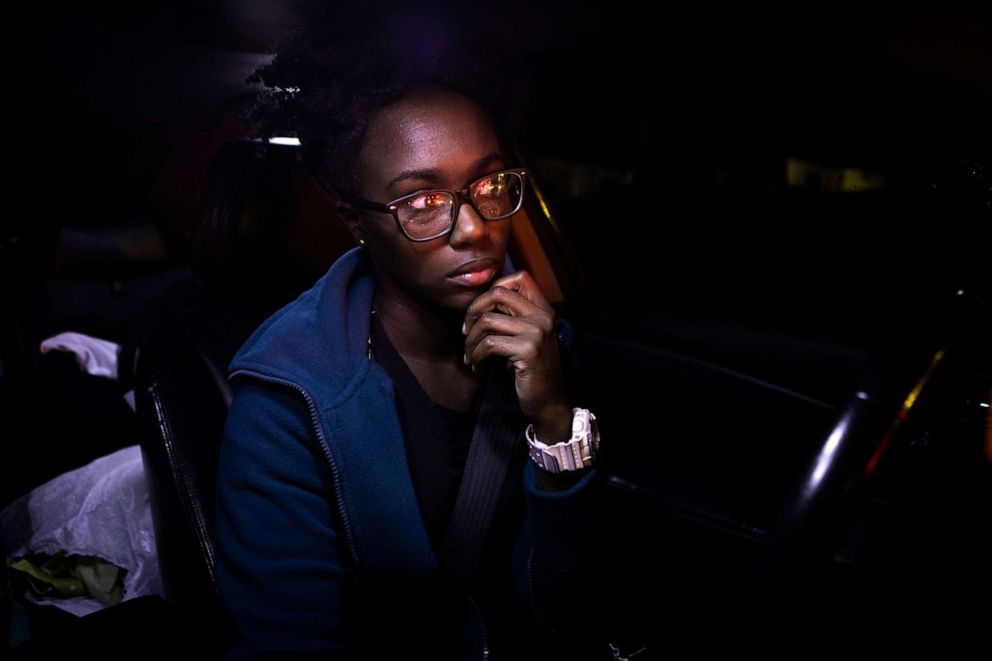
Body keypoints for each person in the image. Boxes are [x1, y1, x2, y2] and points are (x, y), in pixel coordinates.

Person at [213, 8, 608, 659]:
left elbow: (569, 603)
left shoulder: (539, 343)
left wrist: (554, 421)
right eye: (421, 202)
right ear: (354, 219)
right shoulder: (289, 403)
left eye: (487, 184)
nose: (473, 228)